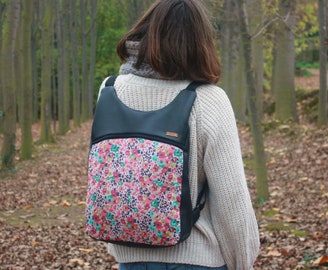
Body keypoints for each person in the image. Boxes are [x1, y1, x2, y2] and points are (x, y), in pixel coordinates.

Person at [98, 0, 260, 269]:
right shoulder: (208, 99)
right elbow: (232, 202)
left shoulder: (110, 90)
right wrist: (244, 263)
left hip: (131, 260)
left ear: (146, 32)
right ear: (201, 42)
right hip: (198, 261)